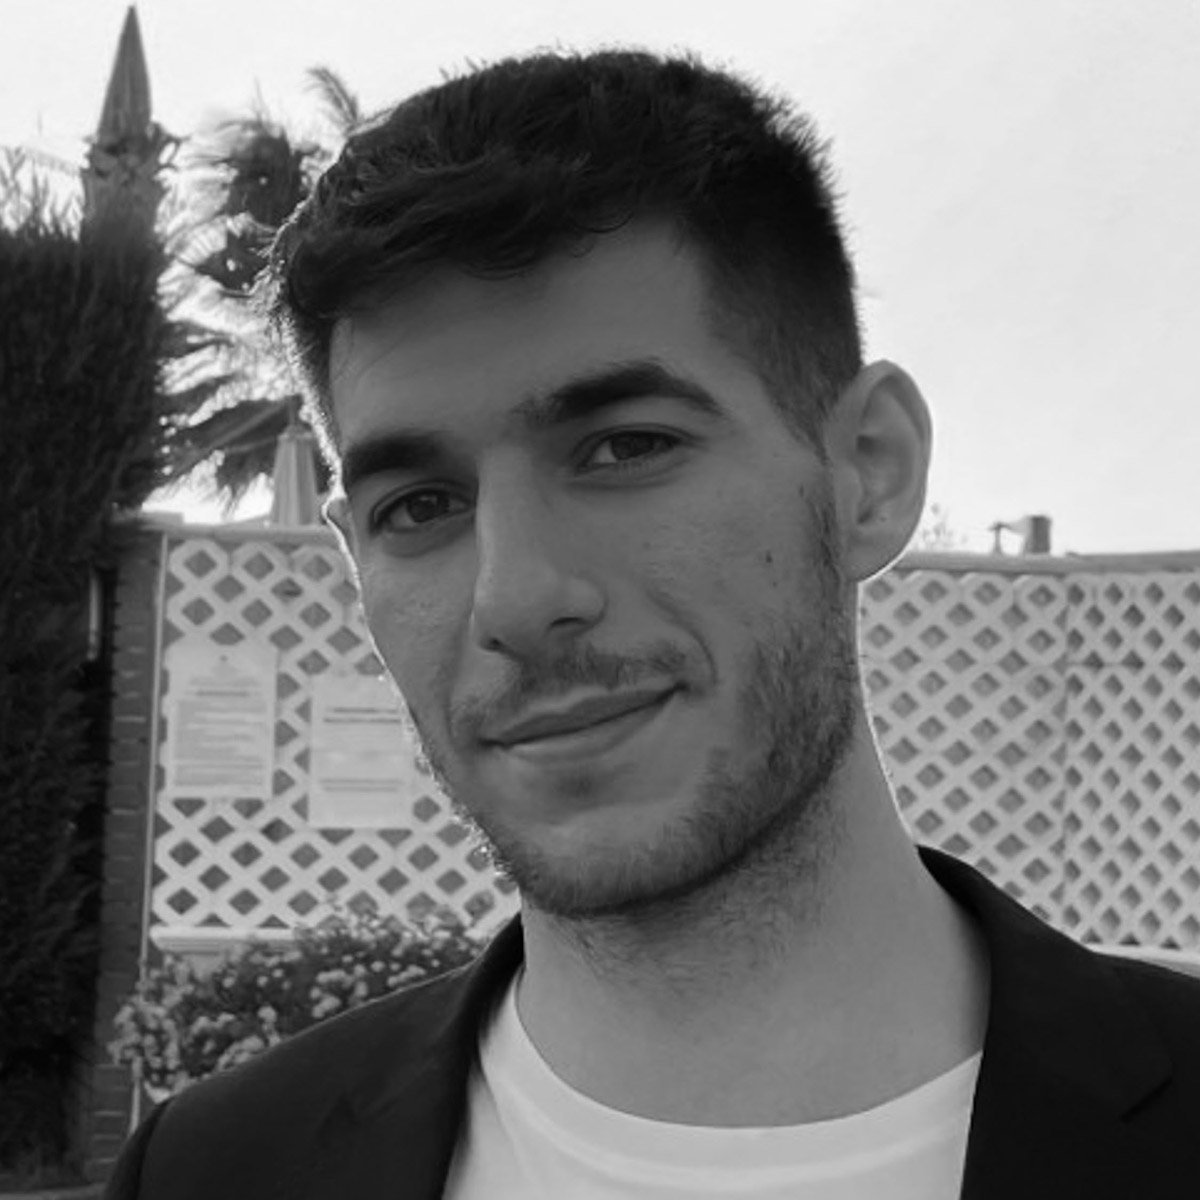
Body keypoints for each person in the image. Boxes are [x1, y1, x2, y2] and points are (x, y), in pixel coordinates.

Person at [106, 49, 1200, 1200]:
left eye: (626, 447)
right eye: (419, 507)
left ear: (868, 473)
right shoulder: (211, 1172)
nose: (515, 599)